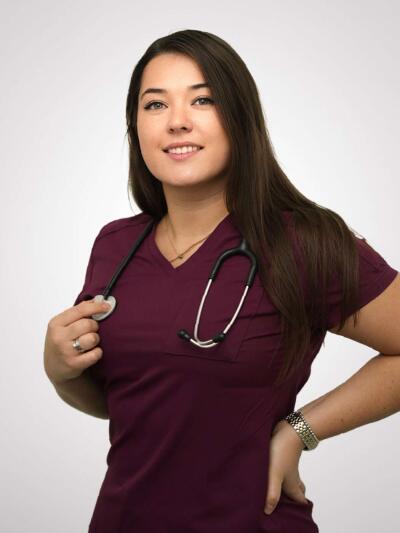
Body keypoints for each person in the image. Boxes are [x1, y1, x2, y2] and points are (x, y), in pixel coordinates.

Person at [43, 29, 400, 532]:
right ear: (135, 127)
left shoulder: (304, 242)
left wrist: (300, 431)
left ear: (240, 116)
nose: (177, 121)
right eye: (155, 104)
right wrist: (60, 370)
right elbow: (124, 402)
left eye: (203, 99)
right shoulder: (115, 246)